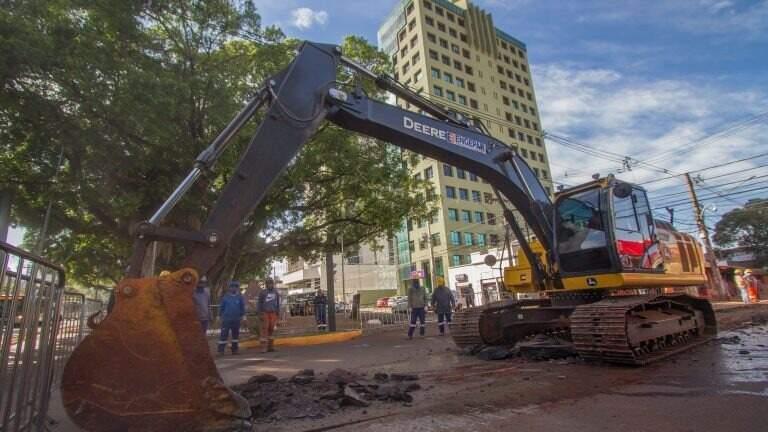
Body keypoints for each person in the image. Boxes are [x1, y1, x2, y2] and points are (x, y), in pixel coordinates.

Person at [218, 281, 245, 355]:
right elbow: (221, 308)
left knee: (235, 335)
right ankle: (221, 350)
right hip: (226, 319)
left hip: (236, 319)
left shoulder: (240, 297)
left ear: (237, 288)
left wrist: (243, 317)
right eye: (232, 287)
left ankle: (235, 350)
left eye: (236, 287)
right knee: (224, 334)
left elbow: (242, 308)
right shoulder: (225, 297)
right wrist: (219, 317)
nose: (234, 288)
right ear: (229, 288)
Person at [257, 277, 281, 353]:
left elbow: (277, 303)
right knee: (264, 329)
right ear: (266, 284)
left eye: (271, 283)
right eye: (268, 283)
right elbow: (259, 304)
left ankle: (270, 347)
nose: (270, 284)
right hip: (265, 313)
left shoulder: (276, 292)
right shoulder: (262, 293)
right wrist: (260, 313)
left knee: (272, 329)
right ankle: (263, 347)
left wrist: (278, 313)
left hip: (273, 313)